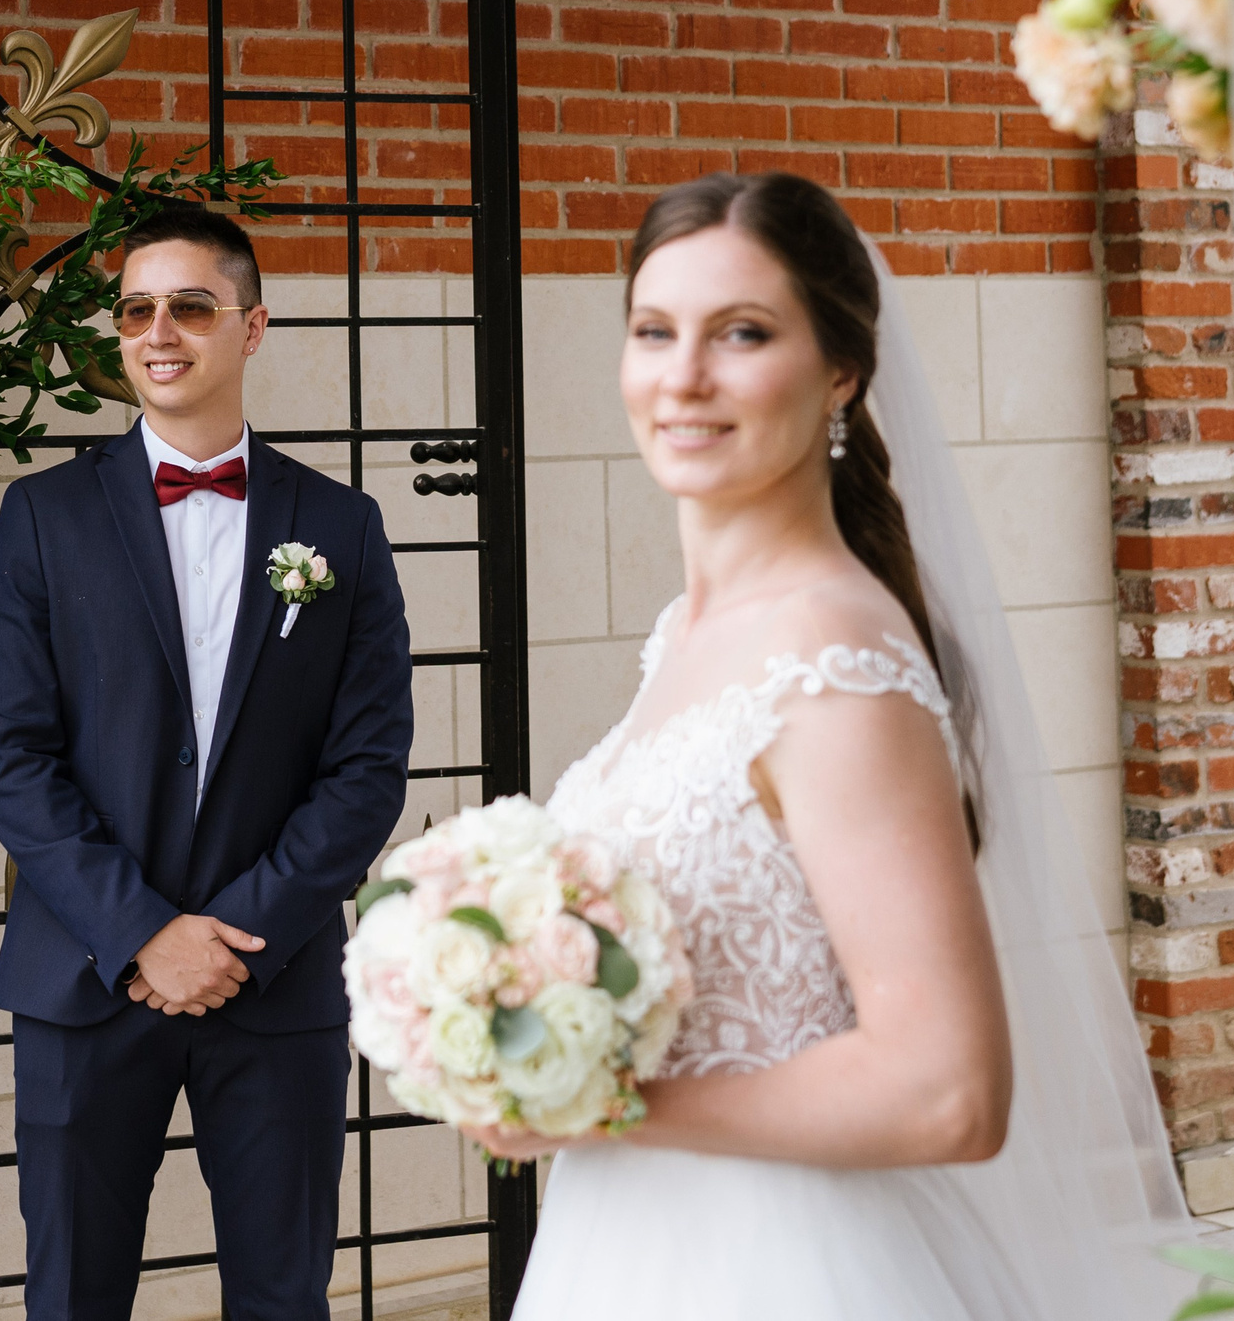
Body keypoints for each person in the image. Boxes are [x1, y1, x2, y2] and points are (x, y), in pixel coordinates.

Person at [473, 171, 1192, 1318]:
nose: (683, 377)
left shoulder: (831, 657)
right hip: (627, 1247)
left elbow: (946, 1090)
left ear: (841, 371)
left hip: (786, 1266)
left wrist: (600, 1104)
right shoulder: (684, 637)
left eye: (742, 333)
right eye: (653, 332)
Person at [0, 207, 414, 1321]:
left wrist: (236, 938)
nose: (159, 330)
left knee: (283, 1298)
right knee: (72, 1299)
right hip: (85, 974)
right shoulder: (40, 518)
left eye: (191, 306)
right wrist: (143, 934)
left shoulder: (342, 528)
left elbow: (366, 766)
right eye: (135, 308)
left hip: (274, 978)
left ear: (251, 327)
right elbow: (14, 759)